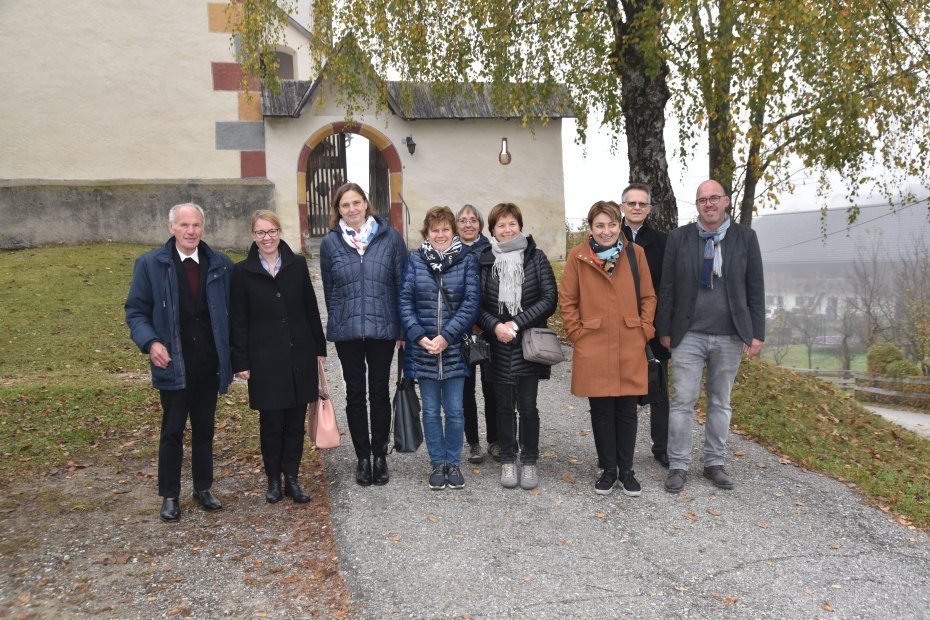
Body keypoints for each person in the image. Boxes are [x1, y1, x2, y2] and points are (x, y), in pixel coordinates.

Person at [125, 203, 233, 522]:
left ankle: (202, 487)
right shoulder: (151, 265)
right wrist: (151, 341)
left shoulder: (219, 264)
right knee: (172, 431)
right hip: (174, 363)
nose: (191, 231)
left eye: (196, 225)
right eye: (184, 225)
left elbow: (234, 310)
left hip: (208, 364)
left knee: (204, 430)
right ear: (170, 227)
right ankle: (170, 494)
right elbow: (135, 311)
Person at [656, 179, 765, 494]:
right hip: (688, 333)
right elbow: (667, 287)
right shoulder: (680, 238)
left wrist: (756, 333)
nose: (708, 204)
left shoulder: (746, 238)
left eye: (714, 198)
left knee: (720, 402)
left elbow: (755, 288)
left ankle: (714, 463)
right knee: (682, 402)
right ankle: (678, 465)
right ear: (698, 205)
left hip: (730, 335)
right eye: (702, 199)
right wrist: (665, 329)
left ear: (726, 201)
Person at [230, 210, 327, 504]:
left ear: (279, 232)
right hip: (264, 359)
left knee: (295, 422)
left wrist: (319, 350)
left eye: (271, 231)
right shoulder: (241, 272)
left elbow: (311, 309)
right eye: (260, 233)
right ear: (253, 236)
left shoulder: (296, 265)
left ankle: (293, 479)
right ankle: (273, 479)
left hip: (299, 354)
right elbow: (237, 319)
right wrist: (241, 361)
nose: (267, 238)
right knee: (271, 423)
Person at [560, 201, 656, 495]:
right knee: (600, 409)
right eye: (599, 225)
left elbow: (649, 297)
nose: (606, 231)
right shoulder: (578, 256)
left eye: (611, 225)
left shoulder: (635, 254)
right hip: (594, 342)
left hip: (629, 341)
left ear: (620, 225)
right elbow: (567, 301)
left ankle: (626, 470)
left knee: (627, 409)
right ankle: (607, 468)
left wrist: (644, 331)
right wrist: (577, 334)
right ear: (590, 227)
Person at [319, 182, 407, 487]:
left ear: (366, 204)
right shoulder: (330, 243)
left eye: (357, 202)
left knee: (379, 391)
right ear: (338, 210)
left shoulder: (391, 239)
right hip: (348, 332)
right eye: (345, 205)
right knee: (355, 394)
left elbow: (401, 285)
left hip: (383, 328)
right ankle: (362, 457)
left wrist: (402, 327)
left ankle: (380, 455)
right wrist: (339, 318)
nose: (352, 209)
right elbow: (329, 289)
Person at [476, 203, 558, 490]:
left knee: (528, 407)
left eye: (512, 223)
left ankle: (530, 461)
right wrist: (497, 326)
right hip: (497, 344)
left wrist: (515, 324)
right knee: (503, 407)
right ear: (493, 231)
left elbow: (549, 299)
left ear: (520, 225)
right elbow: (476, 304)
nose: (507, 229)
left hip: (527, 344)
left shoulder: (536, 257)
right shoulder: (485, 260)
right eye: (501, 225)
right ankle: (509, 460)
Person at [399, 206, 480, 490]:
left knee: (456, 410)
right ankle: (437, 463)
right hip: (424, 349)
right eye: (435, 230)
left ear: (453, 231)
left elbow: (471, 303)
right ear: (427, 233)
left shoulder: (467, 260)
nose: (441, 234)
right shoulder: (415, 260)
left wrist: (447, 336)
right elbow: (405, 301)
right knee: (431, 410)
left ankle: (453, 463)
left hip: (454, 347)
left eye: (446, 229)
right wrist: (419, 336)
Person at [619, 185, 671, 467]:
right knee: (622, 390)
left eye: (642, 204)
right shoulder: (609, 236)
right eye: (631, 203)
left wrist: (661, 328)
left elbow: (667, 287)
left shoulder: (663, 242)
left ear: (650, 208)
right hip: (620, 327)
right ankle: (620, 449)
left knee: (659, 390)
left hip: (653, 325)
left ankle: (661, 447)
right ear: (622, 206)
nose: (637, 208)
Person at [455, 204, 499, 464]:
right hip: (461, 329)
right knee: (465, 389)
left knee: (492, 386)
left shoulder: (492, 250)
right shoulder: (451, 252)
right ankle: (473, 442)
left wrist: (486, 321)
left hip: (489, 326)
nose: (468, 224)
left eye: (473, 220)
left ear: (480, 224)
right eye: (463, 220)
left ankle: (495, 439)